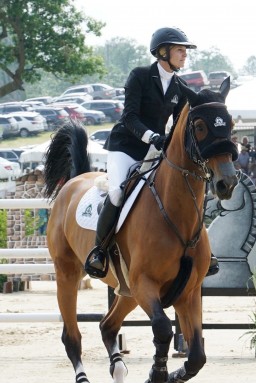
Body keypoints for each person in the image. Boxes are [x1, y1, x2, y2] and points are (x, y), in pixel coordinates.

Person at [85, 27, 219, 278]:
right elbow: (129, 116)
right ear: (162, 52)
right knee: (116, 193)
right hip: (125, 147)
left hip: (156, 150)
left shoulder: (180, 85)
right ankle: (98, 251)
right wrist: (152, 137)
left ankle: (204, 251)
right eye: (180, 50)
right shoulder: (140, 76)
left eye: (184, 51)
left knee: (185, 193)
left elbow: (181, 123)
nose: (184, 55)